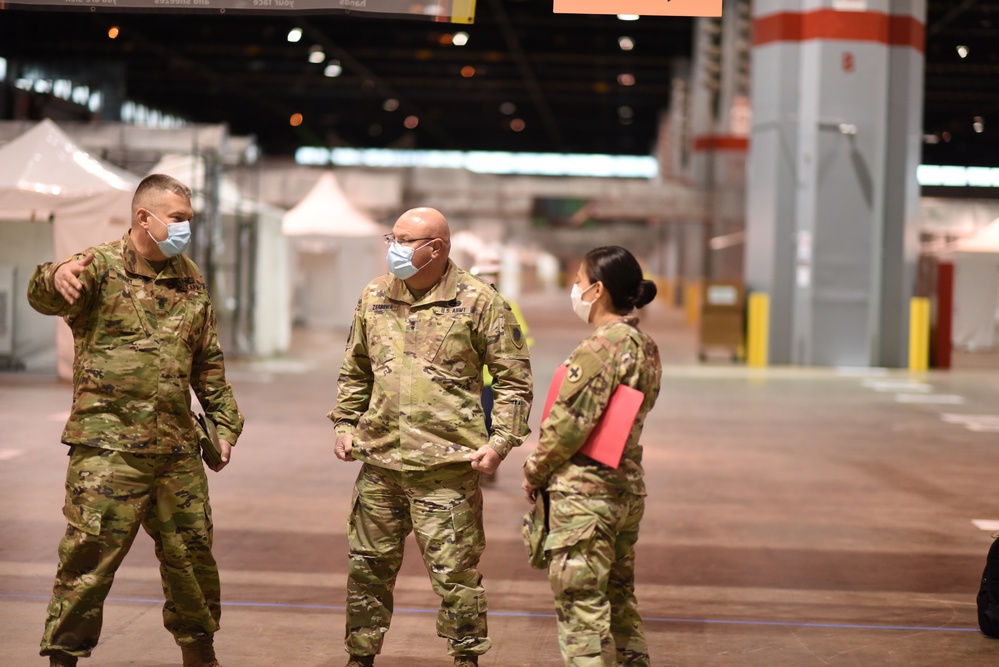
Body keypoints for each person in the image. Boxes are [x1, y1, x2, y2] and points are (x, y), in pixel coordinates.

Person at [27, 174, 244, 667]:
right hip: (108, 452)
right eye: (179, 219)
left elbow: (208, 361)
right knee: (87, 563)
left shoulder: (191, 277)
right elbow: (44, 292)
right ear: (144, 218)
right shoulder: (98, 267)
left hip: (175, 451)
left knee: (192, 562)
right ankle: (63, 657)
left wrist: (225, 426)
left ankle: (200, 654)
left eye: (190, 219)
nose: (187, 228)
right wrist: (55, 274)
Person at [329, 207, 533, 667]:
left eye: (404, 241)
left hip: (446, 470)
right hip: (379, 463)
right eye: (392, 238)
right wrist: (345, 424)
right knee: (366, 569)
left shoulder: (480, 302)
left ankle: (466, 658)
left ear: (436, 248)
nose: (393, 249)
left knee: (455, 576)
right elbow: (356, 369)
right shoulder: (375, 295)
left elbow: (514, 382)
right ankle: (359, 657)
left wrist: (500, 441)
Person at [521, 246, 661, 667]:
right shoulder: (645, 346)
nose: (575, 289)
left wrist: (534, 470)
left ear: (597, 290)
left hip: (585, 498)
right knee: (618, 600)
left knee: (582, 610)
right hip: (623, 490)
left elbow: (568, 426)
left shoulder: (600, 349)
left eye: (579, 282)